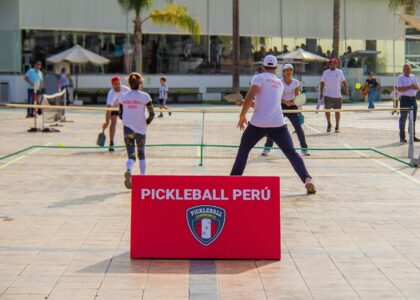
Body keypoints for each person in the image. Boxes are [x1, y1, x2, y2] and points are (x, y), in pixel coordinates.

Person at [231, 55, 316, 195]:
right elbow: (263, 104)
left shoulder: (258, 78)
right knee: (292, 153)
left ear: (263, 66)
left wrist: (242, 115)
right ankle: (308, 179)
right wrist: (247, 103)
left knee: (244, 149)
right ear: (276, 68)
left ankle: (233, 181)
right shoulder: (279, 83)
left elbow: (251, 96)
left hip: (258, 124)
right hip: (278, 124)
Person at [262, 64, 310, 157]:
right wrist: (285, 102)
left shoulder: (296, 82)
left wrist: (294, 103)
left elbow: (297, 96)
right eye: (287, 70)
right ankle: (267, 148)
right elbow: (276, 96)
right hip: (280, 106)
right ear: (283, 72)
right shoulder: (278, 82)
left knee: (298, 129)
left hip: (292, 107)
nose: (289, 72)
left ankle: (304, 149)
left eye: (290, 70)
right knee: (273, 127)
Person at [118, 72, 155, 189]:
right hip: (141, 129)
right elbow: (152, 114)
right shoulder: (145, 96)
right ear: (139, 83)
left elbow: (120, 114)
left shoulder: (123, 97)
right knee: (141, 154)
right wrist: (146, 122)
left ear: (129, 83)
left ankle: (129, 169)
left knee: (131, 155)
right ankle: (142, 178)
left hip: (128, 128)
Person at [320, 58, 349, 133]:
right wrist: (321, 93)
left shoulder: (340, 72)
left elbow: (344, 82)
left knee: (337, 111)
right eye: (330, 63)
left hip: (337, 96)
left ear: (336, 64)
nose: (331, 65)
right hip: (328, 96)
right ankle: (329, 124)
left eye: (333, 64)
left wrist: (346, 91)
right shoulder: (326, 72)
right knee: (327, 111)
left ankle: (337, 126)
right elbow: (322, 82)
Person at [102, 76, 130, 151]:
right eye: (116, 84)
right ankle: (111, 142)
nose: (118, 85)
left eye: (119, 83)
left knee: (127, 124)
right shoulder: (111, 94)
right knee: (113, 122)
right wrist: (107, 122)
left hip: (124, 107)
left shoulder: (126, 89)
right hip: (114, 108)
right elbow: (108, 109)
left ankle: (128, 141)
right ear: (112, 85)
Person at [396, 64, 420, 143]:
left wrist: (414, 87)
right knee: (403, 118)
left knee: (412, 119)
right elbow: (399, 89)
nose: (407, 70)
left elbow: (418, 87)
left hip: (413, 100)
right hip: (404, 100)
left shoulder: (413, 77)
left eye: (409, 69)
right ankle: (402, 137)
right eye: (406, 69)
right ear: (403, 70)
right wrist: (410, 87)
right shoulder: (400, 78)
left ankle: (412, 137)